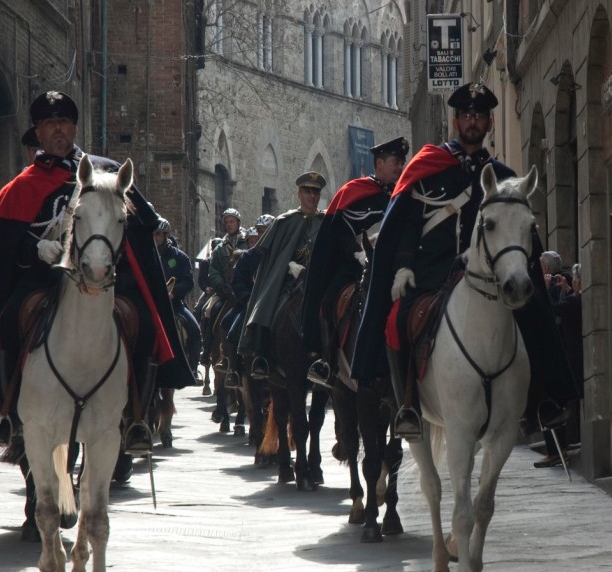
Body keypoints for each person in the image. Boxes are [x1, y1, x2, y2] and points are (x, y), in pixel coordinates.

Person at [0, 89, 194, 458]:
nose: (58, 130)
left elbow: (137, 228)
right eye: (50, 124)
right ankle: (7, 415)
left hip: (102, 282)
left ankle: (136, 418)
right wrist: (35, 250)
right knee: (4, 321)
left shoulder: (106, 172)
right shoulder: (21, 187)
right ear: (37, 131)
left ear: (75, 126)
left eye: (64, 122)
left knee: (145, 324)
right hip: (43, 280)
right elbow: (4, 252)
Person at [352, 81, 579, 440]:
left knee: (536, 311)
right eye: (466, 115)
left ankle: (545, 399)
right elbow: (407, 221)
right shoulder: (430, 166)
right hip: (432, 272)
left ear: (489, 124)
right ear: (456, 122)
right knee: (397, 318)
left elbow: (519, 231)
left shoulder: (503, 177)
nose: (473, 121)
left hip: (491, 274)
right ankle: (407, 405)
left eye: (480, 116)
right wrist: (404, 265)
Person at [301, 136, 409, 387]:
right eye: (395, 162)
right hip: (351, 265)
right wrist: (358, 253)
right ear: (379, 163)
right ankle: (326, 362)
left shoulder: (402, 194)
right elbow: (340, 230)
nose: (400, 167)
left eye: (402, 162)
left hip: (395, 264)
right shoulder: (354, 191)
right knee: (329, 303)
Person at [239, 172, 326, 378]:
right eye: (307, 191)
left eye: (315, 192)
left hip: (318, 282)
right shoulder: (285, 222)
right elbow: (262, 253)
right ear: (299, 194)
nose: (311, 196)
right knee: (270, 303)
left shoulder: (326, 222)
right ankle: (260, 354)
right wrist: (288, 266)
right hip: (287, 281)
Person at [533, 256, 584, 467]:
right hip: (568, 356)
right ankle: (557, 449)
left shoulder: (573, 301)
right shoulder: (573, 297)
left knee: (553, 403)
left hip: (568, 358)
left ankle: (556, 450)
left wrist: (544, 290)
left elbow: (552, 312)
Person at [222, 214, 275, 387]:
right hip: (249, 305)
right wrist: (247, 299)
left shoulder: (281, 255)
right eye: (260, 231)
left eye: (266, 231)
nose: (263, 235)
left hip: (275, 303)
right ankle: (234, 370)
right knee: (229, 326)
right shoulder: (248, 257)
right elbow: (238, 282)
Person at [154, 216, 202, 378]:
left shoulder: (180, 257)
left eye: (159, 234)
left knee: (195, 331)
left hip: (174, 304)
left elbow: (188, 282)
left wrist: (173, 293)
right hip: (151, 304)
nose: (155, 238)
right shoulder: (146, 255)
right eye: (153, 234)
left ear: (165, 235)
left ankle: (193, 370)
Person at [201, 209, 247, 367]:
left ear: (238, 223)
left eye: (232, 221)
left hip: (245, 290)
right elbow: (213, 271)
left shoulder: (248, 241)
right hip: (225, 292)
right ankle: (206, 351)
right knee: (209, 311)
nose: (229, 225)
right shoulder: (220, 247)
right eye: (226, 222)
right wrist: (221, 286)